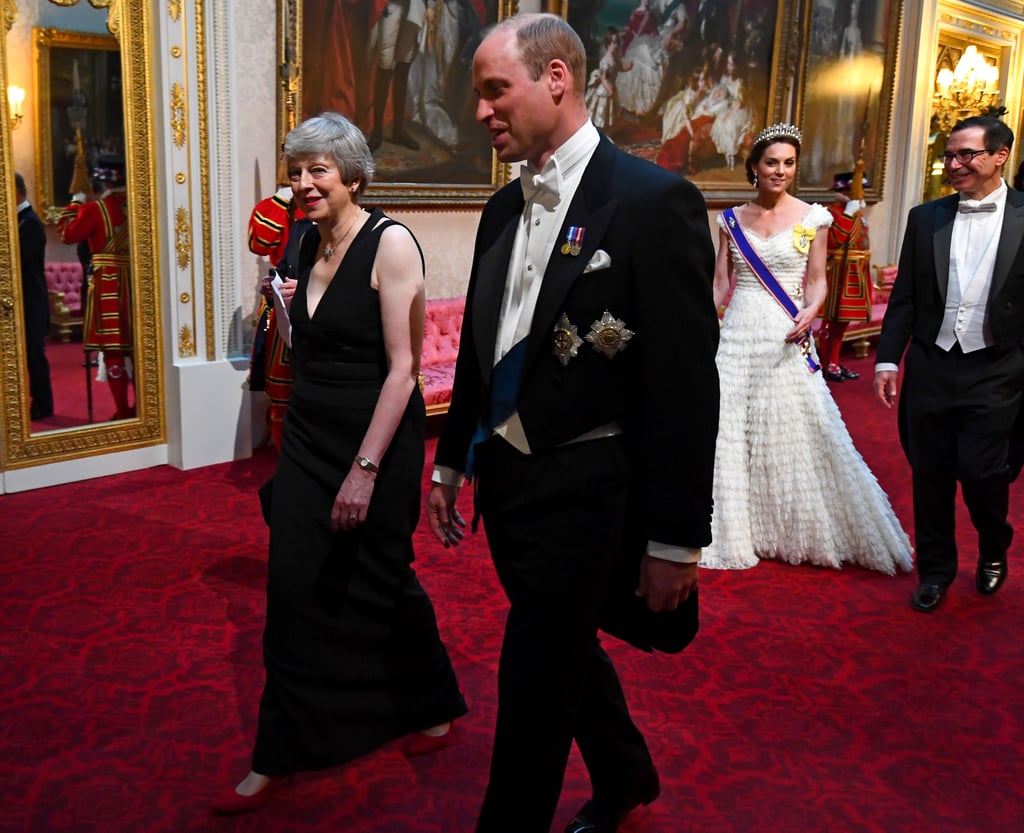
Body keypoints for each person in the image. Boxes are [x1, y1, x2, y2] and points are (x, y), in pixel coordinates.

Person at [427, 14, 720, 833]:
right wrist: (453, 461)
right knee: (563, 650)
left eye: (496, 90)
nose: (482, 110)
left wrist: (674, 539)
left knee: (532, 676)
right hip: (511, 490)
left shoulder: (653, 201)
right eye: (478, 94)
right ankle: (626, 772)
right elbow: (487, 356)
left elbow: (685, 388)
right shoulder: (497, 210)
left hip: (592, 493)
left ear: (557, 78)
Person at [213, 111, 467, 815]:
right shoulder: (302, 242)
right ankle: (278, 752)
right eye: (296, 171)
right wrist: (285, 310)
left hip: (375, 434)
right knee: (292, 586)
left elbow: (401, 368)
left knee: (381, 579)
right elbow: (309, 349)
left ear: (353, 174)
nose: (303, 183)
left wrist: (365, 468)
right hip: (308, 432)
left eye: (317, 170)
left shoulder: (391, 244)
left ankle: (432, 701)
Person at [703, 123, 912, 573]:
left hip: (785, 333)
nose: (781, 171)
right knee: (729, 430)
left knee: (792, 428)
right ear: (754, 168)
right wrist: (700, 328)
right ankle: (739, 529)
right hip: (738, 333)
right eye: (772, 163)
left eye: (789, 163)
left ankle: (786, 525)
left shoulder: (814, 217)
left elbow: (818, 281)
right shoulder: (730, 221)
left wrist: (812, 312)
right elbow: (721, 283)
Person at [875, 115, 1024, 612]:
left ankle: (994, 543)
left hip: (997, 368)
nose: (953, 164)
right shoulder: (926, 217)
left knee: (984, 472)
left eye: (966, 155)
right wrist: (887, 361)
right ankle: (936, 571)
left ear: (999, 155)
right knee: (930, 473)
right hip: (932, 365)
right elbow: (905, 298)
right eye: (949, 155)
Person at [56, 155, 134, 420]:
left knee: (113, 350)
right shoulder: (141, 209)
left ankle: (123, 411)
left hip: (109, 285)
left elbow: (67, 233)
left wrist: (75, 203)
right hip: (138, 285)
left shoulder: (93, 210)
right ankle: (147, 410)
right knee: (142, 349)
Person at [246, 184, 309, 449]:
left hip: (317, 307)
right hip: (283, 305)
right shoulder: (281, 207)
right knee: (280, 387)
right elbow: (259, 243)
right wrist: (282, 199)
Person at [818, 169, 872, 382]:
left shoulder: (858, 214)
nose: (861, 195)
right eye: (857, 190)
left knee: (842, 324)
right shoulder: (830, 214)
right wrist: (848, 214)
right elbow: (833, 241)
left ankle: (835, 361)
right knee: (830, 323)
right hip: (837, 273)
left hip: (855, 273)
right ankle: (826, 364)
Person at [15, 172, 54, 421]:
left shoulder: (30, 222)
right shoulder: (18, 220)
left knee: (34, 354)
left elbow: (18, 260)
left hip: (31, 301)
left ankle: (42, 404)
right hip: (22, 301)